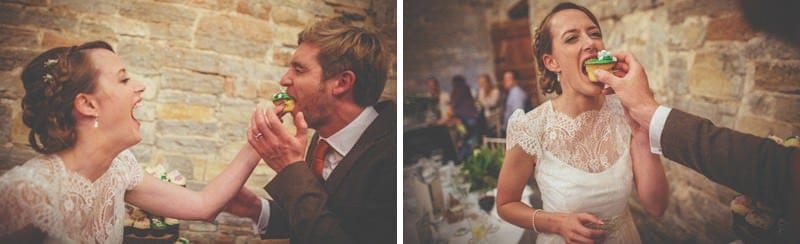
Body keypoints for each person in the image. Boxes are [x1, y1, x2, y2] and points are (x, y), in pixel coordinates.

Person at [0, 41, 262, 243]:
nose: (140, 86)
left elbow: (203, 205)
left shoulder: (120, 168)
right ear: (88, 104)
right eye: (124, 79)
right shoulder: (27, 192)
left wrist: (260, 140)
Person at [495, 3, 669, 243]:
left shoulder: (626, 114)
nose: (590, 43)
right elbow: (506, 204)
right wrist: (557, 223)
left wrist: (642, 134)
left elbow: (656, 206)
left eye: (594, 33)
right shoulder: (530, 127)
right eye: (572, 38)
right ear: (551, 62)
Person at [222, 18, 395, 243]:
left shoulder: (395, 156)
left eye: (299, 69)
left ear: (342, 83)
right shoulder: (322, 138)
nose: (285, 80)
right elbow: (321, 220)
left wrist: (291, 169)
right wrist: (257, 209)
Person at [438, 75, 480, 161]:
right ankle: (475, 159)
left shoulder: (456, 90)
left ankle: (463, 160)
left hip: (466, 119)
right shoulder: (466, 88)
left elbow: (453, 108)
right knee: (472, 141)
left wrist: (441, 122)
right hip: (473, 117)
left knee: (465, 142)